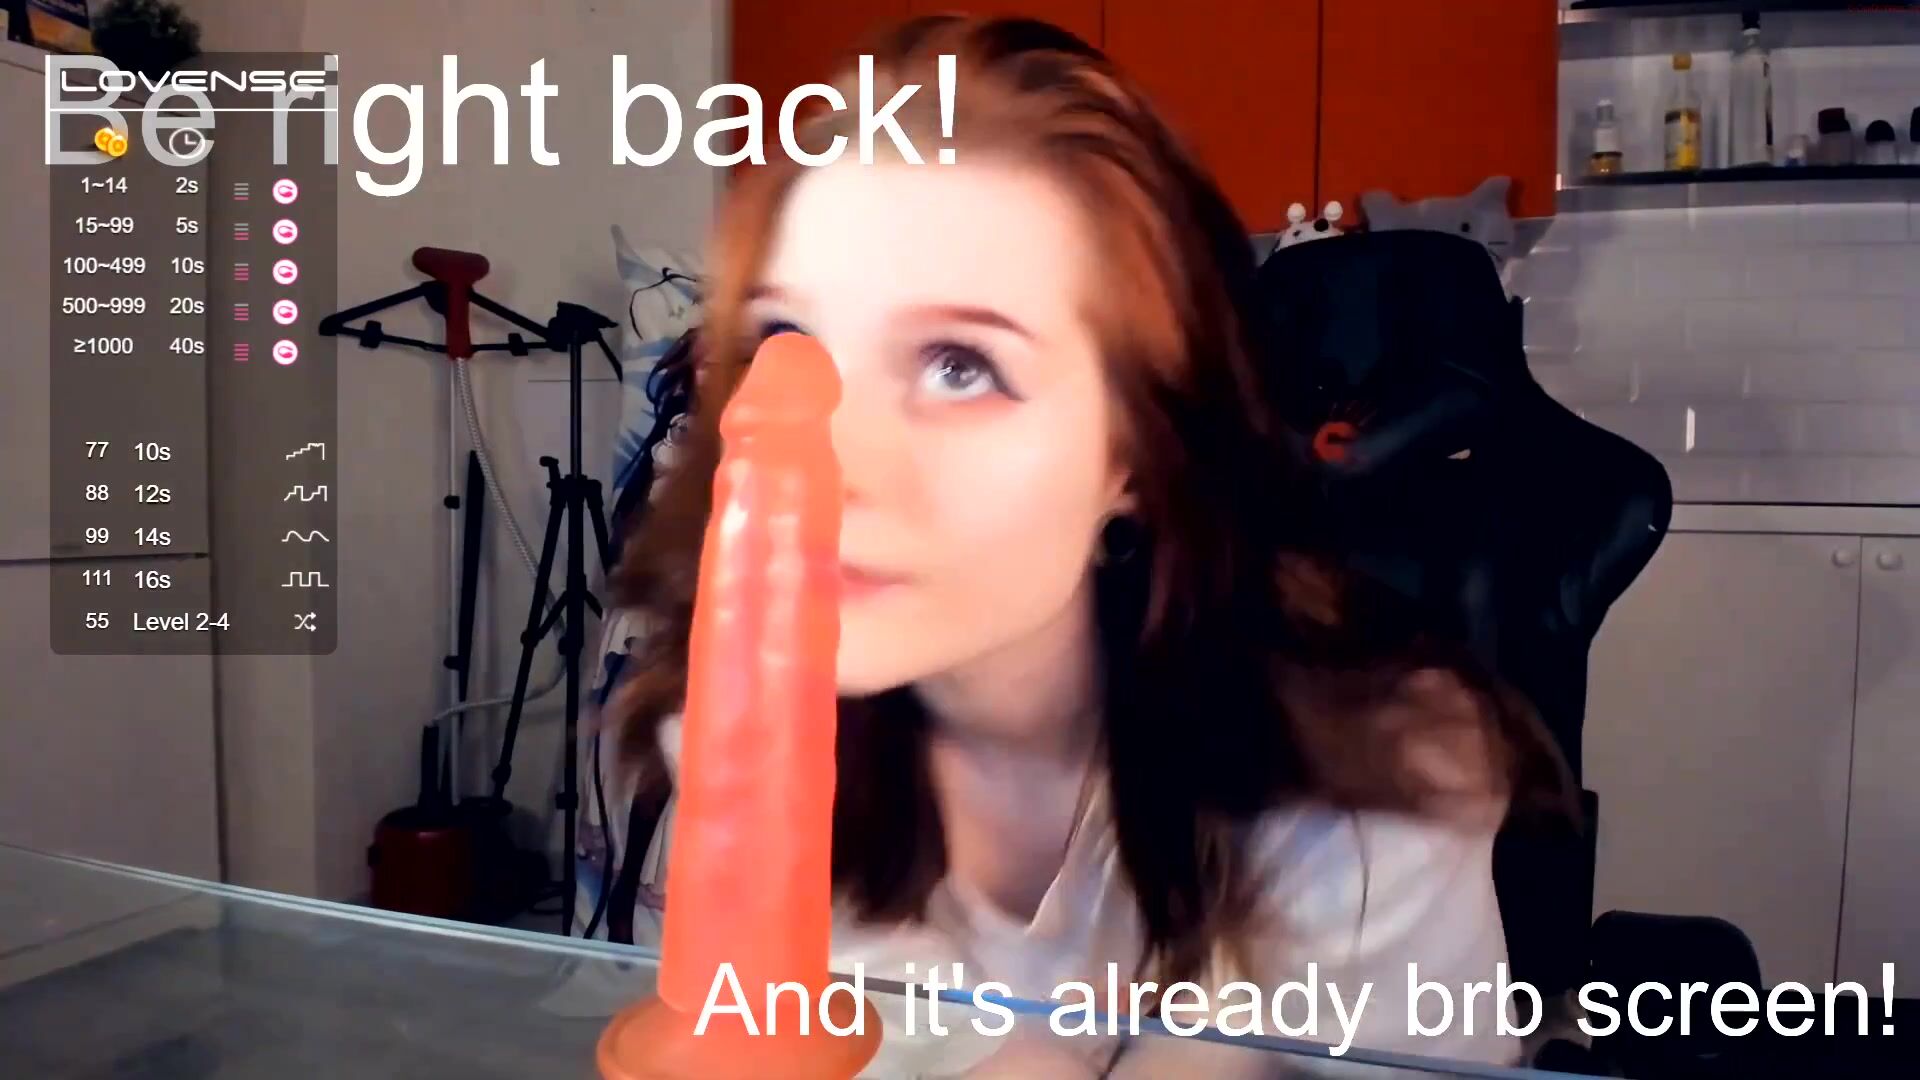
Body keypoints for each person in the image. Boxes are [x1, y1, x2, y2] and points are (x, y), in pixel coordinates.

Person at [599, 14, 1572, 1077]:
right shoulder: (728, 740)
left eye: (961, 365)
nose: (825, 457)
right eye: (788, 342)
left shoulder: (1360, 802)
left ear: (1135, 453)